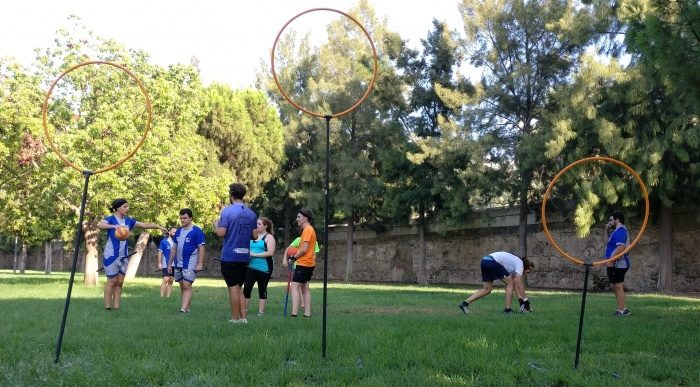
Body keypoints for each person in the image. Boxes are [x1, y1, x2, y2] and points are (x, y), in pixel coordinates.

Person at [97, 198, 166, 311]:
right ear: (118, 208)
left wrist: (158, 226)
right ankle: (107, 308)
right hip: (111, 255)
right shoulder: (110, 219)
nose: (127, 209)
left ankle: (117, 308)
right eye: (125, 206)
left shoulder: (128, 221)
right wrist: (114, 227)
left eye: (128, 206)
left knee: (119, 282)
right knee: (112, 282)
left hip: (124, 256)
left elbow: (143, 224)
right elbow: (100, 225)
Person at [214, 183, 257, 324]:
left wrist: (215, 225)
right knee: (239, 287)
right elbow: (255, 236)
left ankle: (235, 319)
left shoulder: (227, 211)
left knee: (232, 288)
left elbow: (221, 232)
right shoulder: (252, 213)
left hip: (230, 255)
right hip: (245, 256)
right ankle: (243, 318)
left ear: (231, 195)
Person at [458, 251, 534, 314]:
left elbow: (516, 283)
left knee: (487, 289)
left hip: (484, 261)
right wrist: (526, 300)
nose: (526, 274)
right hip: (492, 261)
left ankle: (464, 304)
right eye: (528, 272)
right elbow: (519, 284)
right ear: (526, 266)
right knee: (510, 283)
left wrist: (521, 300)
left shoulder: (515, 265)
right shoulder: (520, 264)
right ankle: (507, 310)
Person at [168, 209, 205, 313]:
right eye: (181, 218)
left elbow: (201, 248)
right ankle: (187, 308)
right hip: (178, 263)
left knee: (187, 285)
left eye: (185, 218)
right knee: (182, 285)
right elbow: (174, 248)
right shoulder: (179, 231)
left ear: (191, 218)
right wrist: (170, 263)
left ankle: (183, 309)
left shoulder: (197, 231)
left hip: (190, 262)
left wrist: (200, 263)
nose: (182, 220)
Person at [284, 208, 316, 317]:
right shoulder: (309, 229)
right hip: (309, 264)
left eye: (299, 217)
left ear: (305, 218)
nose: (297, 219)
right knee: (304, 288)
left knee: (294, 286)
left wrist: (294, 257)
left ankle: (294, 314)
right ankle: (307, 314)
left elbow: (304, 249)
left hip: (304, 263)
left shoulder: (307, 230)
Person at [244, 217, 276, 317]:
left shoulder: (269, 237)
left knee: (262, 289)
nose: (256, 226)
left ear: (265, 226)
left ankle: (261, 312)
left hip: (264, 268)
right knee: (247, 288)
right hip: (250, 267)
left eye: (259, 224)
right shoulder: (252, 236)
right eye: (256, 224)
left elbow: (270, 253)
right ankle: (244, 310)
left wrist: (254, 254)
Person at [282, 236, 320, 308]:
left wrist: (308, 259)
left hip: (308, 266)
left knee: (305, 286)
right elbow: (288, 249)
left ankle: (305, 304)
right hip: (298, 265)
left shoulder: (315, 242)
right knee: (297, 285)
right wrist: (284, 258)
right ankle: (302, 303)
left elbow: (314, 255)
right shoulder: (299, 239)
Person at [605, 211, 631, 317]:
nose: (609, 222)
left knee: (618, 286)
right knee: (616, 286)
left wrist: (611, 259)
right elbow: (608, 243)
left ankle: (621, 311)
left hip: (619, 263)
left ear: (617, 220)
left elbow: (621, 248)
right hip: (614, 262)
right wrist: (606, 231)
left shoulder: (620, 231)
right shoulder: (616, 232)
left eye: (611, 220)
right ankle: (622, 308)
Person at [157, 227, 177, 298]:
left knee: (171, 280)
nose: (175, 234)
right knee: (165, 279)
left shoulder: (177, 242)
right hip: (165, 263)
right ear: (169, 232)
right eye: (174, 232)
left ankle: (168, 297)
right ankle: (161, 297)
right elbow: (160, 252)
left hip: (175, 264)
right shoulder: (164, 241)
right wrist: (159, 263)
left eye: (176, 232)